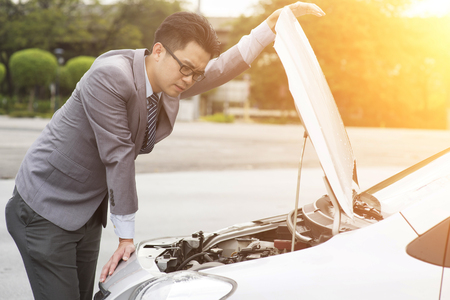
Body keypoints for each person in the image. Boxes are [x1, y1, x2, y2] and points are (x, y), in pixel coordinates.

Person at [5, 2, 325, 299]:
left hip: (85, 211)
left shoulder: (167, 81)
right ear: (158, 51)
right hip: (43, 211)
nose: (189, 80)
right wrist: (126, 238)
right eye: (186, 68)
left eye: (195, 73)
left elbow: (219, 69)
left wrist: (269, 26)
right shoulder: (110, 77)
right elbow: (118, 156)